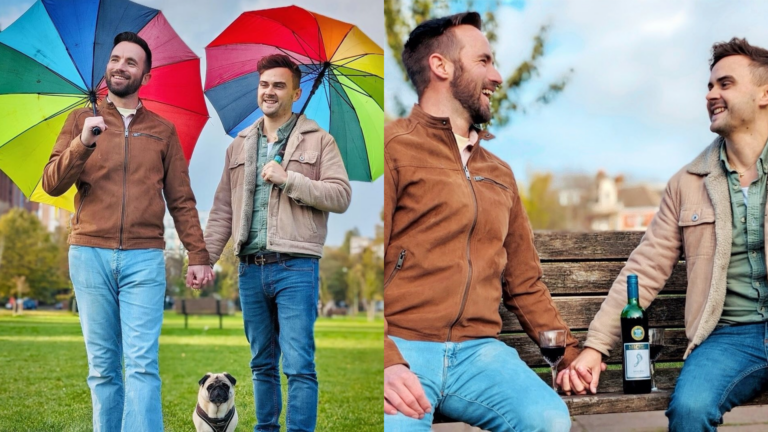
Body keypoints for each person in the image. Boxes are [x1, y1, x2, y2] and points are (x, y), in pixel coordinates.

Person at [383, 12, 582, 432]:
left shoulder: (500, 172)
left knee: (549, 421)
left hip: (480, 354)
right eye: (485, 61)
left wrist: (569, 354)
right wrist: (383, 360)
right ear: (441, 66)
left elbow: (524, 281)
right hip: (403, 345)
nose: (498, 75)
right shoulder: (392, 148)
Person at [559, 38, 768, 432]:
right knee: (688, 411)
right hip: (729, 337)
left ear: (764, 94)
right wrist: (594, 347)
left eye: (724, 84)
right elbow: (646, 267)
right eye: (709, 86)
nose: (711, 94)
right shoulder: (687, 182)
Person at [42, 32, 213, 432]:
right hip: (88, 255)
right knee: (102, 368)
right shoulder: (80, 122)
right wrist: (83, 143)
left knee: (141, 365)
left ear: (146, 76)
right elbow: (52, 183)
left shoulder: (163, 131)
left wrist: (199, 255)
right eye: (116, 59)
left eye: (131, 62)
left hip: (144, 258)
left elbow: (182, 199)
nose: (120, 66)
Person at [204, 54, 351, 432]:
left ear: (297, 92)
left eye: (279, 85)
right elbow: (223, 209)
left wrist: (289, 180)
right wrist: (203, 258)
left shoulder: (321, 141)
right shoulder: (239, 145)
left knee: (299, 364)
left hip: (296, 267)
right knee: (261, 363)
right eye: (264, 84)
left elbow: (340, 196)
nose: (269, 91)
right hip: (249, 269)